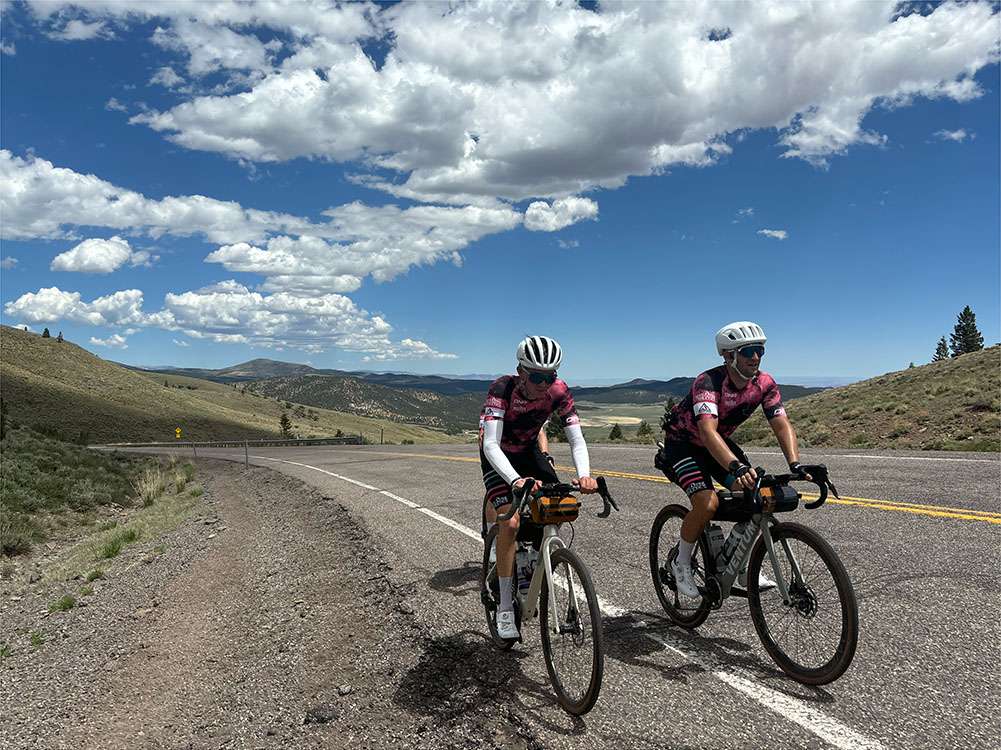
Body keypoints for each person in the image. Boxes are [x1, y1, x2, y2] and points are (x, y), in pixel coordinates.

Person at [658, 321, 810, 597]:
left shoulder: (764, 384)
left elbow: (781, 424)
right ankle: (680, 563)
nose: (755, 357)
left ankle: (737, 560)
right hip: (683, 445)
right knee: (707, 503)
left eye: (760, 350)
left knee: (757, 494)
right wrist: (735, 466)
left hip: (717, 443)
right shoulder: (709, 382)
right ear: (728, 356)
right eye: (748, 350)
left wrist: (795, 463)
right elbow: (706, 431)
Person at [481, 335, 598, 640]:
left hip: (530, 451)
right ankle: (506, 607)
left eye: (550, 376)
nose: (544, 383)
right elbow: (490, 443)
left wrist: (584, 475)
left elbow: (576, 438)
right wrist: (514, 480)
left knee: (554, 506)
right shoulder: (502, 388)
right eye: (536, 376)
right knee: (511, 521)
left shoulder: (558, 392)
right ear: (521, 371)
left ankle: (532, 556)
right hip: (499, 455)